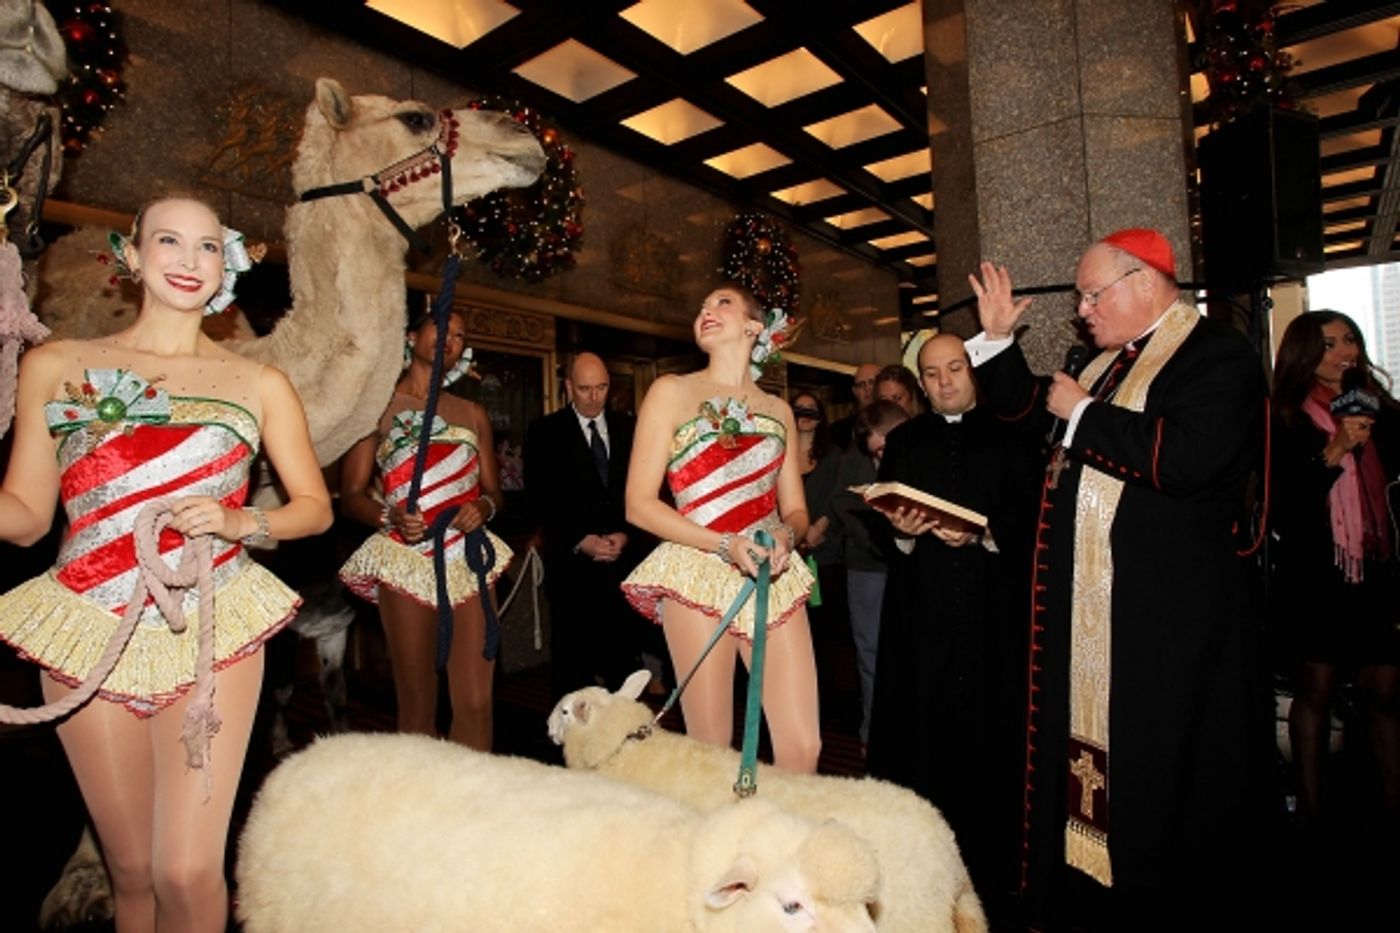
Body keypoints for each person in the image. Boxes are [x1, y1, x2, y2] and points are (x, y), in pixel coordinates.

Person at [0, 196, 332, 932]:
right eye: (168, 242)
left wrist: (246, 519)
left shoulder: (260, 382)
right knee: (132, 872)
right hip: (85, 625)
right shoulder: (56, 364)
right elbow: (24, 516)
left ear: (228, 263)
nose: (187, 261)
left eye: (207, 247)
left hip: (213, 622)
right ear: (132, 256)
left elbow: (315, 506)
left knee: (187, 868)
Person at [967, 228, 1270, 929]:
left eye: (1091, 293)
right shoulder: (1105, 365)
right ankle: (1089, 897)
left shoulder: (1216, 354)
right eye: (1080, 296)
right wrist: (998, 346)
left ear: (1143, 280)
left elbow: (1186, 458)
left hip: (1166, 623)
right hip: (1098, 612)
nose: (1082, 309)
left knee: (1158, 774)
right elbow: (1032, 417)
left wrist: (1082, 413)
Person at [864, 334, 1039, 916]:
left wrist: (987, 534)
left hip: (992, 616)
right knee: (924, 732)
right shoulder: (907, 440)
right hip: (926, 617)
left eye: (954, 369)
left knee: (994, 734)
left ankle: (996, 871)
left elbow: (1033, 517)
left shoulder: (1011, 437)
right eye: (933, 374)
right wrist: (903, 532)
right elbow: (882, 528)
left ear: (972, 371)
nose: (944, 382)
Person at [621, 283, 820, 773]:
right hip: (696, 567)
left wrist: (785, 535)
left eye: (722, 303)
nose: (706, 310)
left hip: (771, 576)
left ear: (756, 326)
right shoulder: (671, 390)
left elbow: (796, 510)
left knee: (804, 747)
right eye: (702, 306)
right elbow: (638, 506)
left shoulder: (779, 411)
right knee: (712, 749)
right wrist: (724, 544)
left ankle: (786, 848)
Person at [339, 304, 510, 751]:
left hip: (469, 559)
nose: (450, 338)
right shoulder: (376, 409)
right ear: (412, 337)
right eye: (440, 326)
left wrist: (484, 507)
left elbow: (495, 491)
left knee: (475, 699)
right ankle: (421, 806)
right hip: (406, 558)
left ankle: (471, 801)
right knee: (417, 702)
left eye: (459, 335)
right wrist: (388, 516)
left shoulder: (473, 413)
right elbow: (351, 494)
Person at [1270, 310, 1400, 834]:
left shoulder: (1382, 410)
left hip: (1378, 569)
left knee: (1387, 689)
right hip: (1317, 574)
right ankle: (1312, 809)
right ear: (1305, 353)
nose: (1342, 351)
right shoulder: (1286, 419)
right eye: (1327, 344)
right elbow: (1286, 507)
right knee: (1316, 689)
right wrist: (1337, 449)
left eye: (1349, 340)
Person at [524, 351, 645, 700]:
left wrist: (626, 534)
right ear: (567, 388)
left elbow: (642, 492)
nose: (594, 397)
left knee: (626, 676)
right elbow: (541, 500)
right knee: (573, 680)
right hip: (572, 575)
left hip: (623, 572)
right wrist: (580, 540)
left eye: (602, 387)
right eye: (585, 388)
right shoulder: (545, 432)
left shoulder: (630, 429)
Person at [827, 399, 910, 750]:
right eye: (875, 452)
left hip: (911, 566)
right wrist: (878, 540)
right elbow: (842, 504)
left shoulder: (925, 452)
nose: (881, 458)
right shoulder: (852, 461)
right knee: (871, 654)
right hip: (868, 567)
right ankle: (873, 736)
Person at [829, 362, 880, 450]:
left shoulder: (896, 421)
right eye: (861, 384)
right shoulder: (837, 431)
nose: (867, 388)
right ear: (855, 391)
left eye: (872, 382)